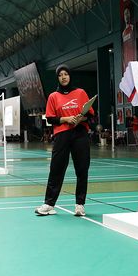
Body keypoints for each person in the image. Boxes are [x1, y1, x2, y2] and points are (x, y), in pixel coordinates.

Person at [35, 64, 95, 217]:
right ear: (58, 78)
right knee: (56, 169)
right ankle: (49, 204)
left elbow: (91, 115)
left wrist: (81, 118)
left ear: (70, 76)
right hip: (62, 135)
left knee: (82, 169)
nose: (63, 77)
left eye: (66, 74)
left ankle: (80, 205)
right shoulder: (53, 96)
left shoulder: (81, 93)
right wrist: (65, 119)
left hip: (80, 133)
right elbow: (50, 118)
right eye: (60, 75)